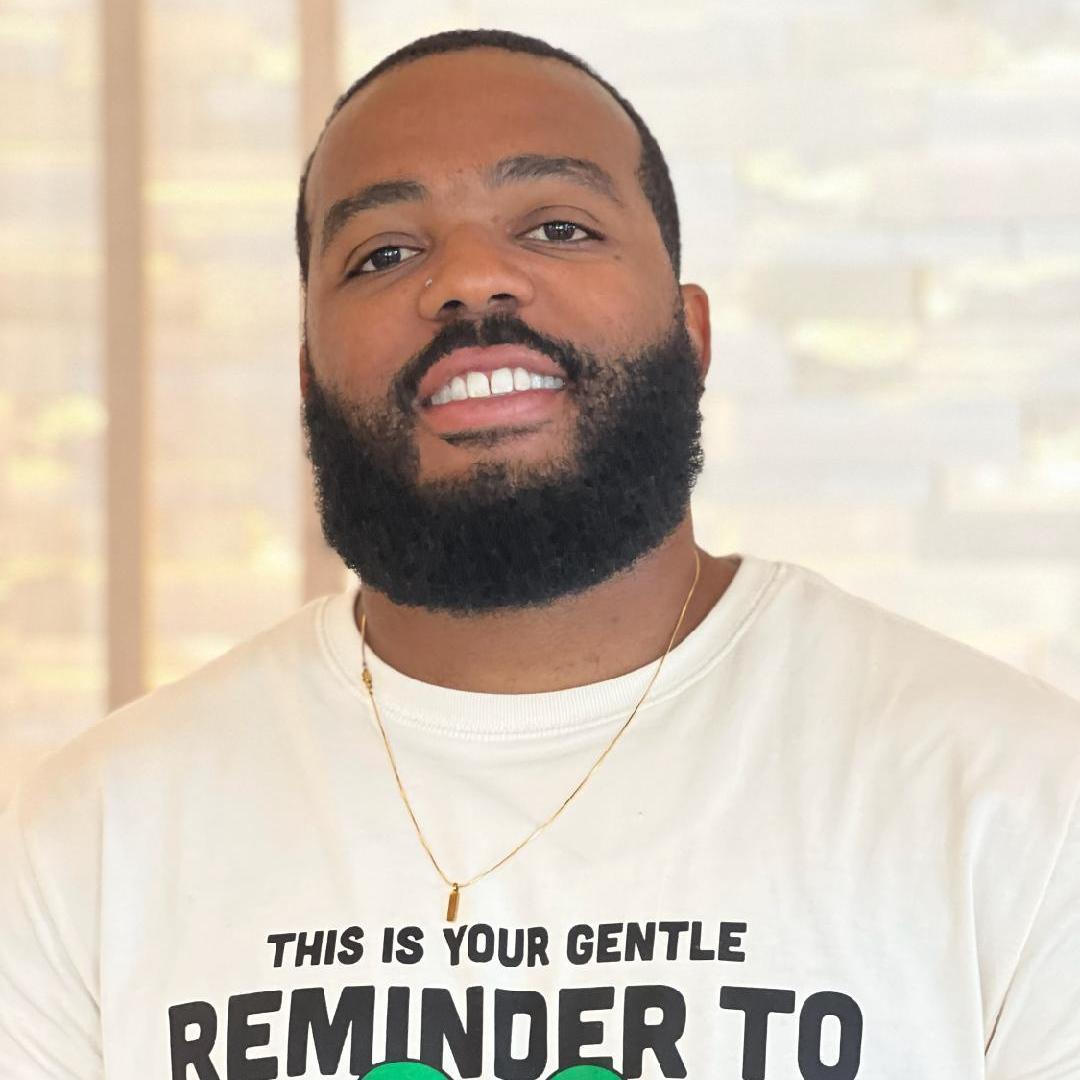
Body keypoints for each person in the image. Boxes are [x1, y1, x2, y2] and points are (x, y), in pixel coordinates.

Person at [2, 26, 1078, 1080]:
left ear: (692, 333)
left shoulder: (1015, 799)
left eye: (559, 227)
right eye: (385, 253)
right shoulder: (94, 841)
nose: (472, 279)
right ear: (307, 377)